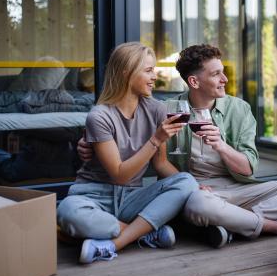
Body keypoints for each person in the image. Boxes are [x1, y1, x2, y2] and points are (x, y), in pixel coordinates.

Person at [78, 44, 277, 248]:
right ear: (194, 82)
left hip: (239, 189)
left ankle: (232, 223)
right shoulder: (169, 111)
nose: (225, 79)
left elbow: (249, 169)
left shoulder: (239, 109)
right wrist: (90, 145)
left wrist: (221, 146)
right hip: (198, 193)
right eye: (216, 74)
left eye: (223, 72)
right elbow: (141, 146)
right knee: (200, 203)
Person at [57, 42, 199, 264]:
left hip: (133, 197)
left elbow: (160, 165)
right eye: (148, 71)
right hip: (94, 196)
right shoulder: (100, 116)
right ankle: (145, 233)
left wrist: (196, 188)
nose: (155, 77)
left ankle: (115, 243)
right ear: (126, 74)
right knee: (67, 211)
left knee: (187, 182)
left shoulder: (156, 110)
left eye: (154, 70)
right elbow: (120, 175)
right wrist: (156, 139)